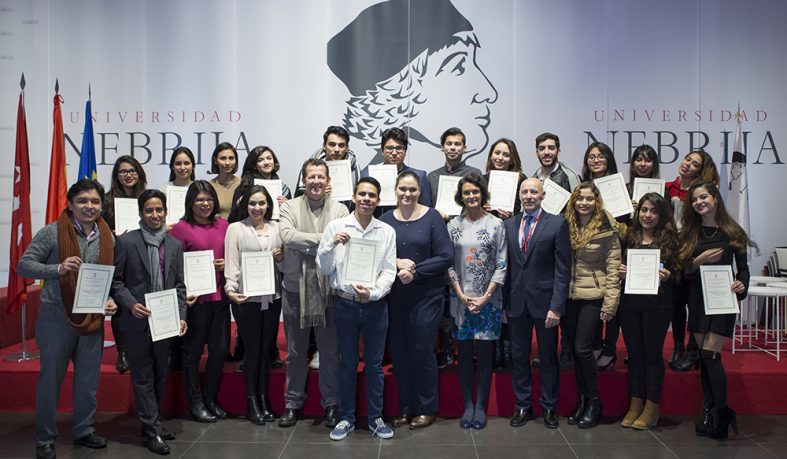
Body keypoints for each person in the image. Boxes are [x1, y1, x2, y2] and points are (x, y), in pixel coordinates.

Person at [328, 0, 498, 167]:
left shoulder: (443, 177)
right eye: (458, 66)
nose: (489, 93)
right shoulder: (369, 182)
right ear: (396, 92)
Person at [18, 179, 117, 459]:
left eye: (95, 202)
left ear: (102, 205)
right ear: (70, 204)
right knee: (51, 379)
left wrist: (109, 300)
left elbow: (108, 278)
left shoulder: (108, 236)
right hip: (55, 319)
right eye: (83, 201)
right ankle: (45, 438)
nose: (89, 206)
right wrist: (57, 267)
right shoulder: (51, 233)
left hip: (91, 318)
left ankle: (84, 430)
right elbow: (24, 265)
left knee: (88, 380)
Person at [316, 177, 397, 440]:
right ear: (353, 196)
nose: (366, 199)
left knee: (374, 366)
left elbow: (388, 270)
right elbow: (325, 268)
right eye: (362, 194)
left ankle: (375, 419)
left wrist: (373, 293)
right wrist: (332, 245)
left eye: (372, 195)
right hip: (345, 304)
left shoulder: (386, 231)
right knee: (348, 364)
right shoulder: (336, 227)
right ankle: (346, 418)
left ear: (378, 200)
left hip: (375, 306)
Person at [111, 189, 190, 454]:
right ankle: (153, 431)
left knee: (160, 374)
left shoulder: (175, 245)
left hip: (165, 321)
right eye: (149, 210)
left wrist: (181, 317)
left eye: (159, 210)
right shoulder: (126, 242)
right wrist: (131, 304)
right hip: (136, 320)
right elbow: (116, 282)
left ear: (166, 212)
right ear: (140, 213)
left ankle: (151, 424)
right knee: (143, 375)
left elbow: (179, 286)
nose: (155, 215)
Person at [679, 180, 755, 440]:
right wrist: (698, 260)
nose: (699, 202)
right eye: (694, 199)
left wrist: (741, 283)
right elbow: (683, 270)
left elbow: (744, 270)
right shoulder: (689, 232)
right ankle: (710, 410)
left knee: (711, 355)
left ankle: (721, 413)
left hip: (723, 301)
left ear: (715, 198)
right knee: (704, 356)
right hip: (698, 300)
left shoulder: (733, 232)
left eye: (703, 197)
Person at [278, 158, 349, 428]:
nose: (316, 181)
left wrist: (305, 242)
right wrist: (325, 241)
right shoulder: (289, 207)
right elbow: (287, 235)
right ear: (303, 180)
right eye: (311, 177)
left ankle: (331, 403)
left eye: (321, 176)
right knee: (296, 352)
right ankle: (292, 404)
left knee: (330, 352)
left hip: (329, 290)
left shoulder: (340, 209)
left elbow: (343, 240)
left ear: (328, 181)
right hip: (295, 290)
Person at [379, 171, 453, 430]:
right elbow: (377, 254)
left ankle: (426, 407)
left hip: (426, 296)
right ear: (395, 190)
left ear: (420, 190)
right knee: (399, 352)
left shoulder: (432, 217)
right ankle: (406, 407)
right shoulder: (385, 220)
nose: (407, 194)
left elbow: (446, 256)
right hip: (395, 297)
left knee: (421, 349)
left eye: (412, 189)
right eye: (402, 189)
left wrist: (415, 270)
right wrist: (397, 262)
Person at [505, 178, 570, 430]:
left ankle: (549, 406)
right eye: (525, 191)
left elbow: (563, 269)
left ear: (543, 195)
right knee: (519, 356)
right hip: (516, 303)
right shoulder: (509, 224)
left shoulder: (557, 224)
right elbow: (507, 266)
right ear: (519, 195)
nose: (529, 195)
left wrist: (556, 306)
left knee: (547, 357)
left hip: (546, 305)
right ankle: (522, 405)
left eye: (534, 191)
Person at [447, 174, 507, 430]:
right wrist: (460, 294)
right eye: (467, 192)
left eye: (475, 192)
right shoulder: (451, 225)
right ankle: (467, 405)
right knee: (463, 356)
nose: (471, 196)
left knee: (484, 357)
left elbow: (502, 264)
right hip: (460, 300)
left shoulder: (496, 224)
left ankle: (481, 406)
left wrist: (486, 296)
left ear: (483, 194)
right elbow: (447, 264)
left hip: (489, 301)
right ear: (461, 196)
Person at [169, 180, 230, 423]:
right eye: (199, 200)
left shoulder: (224, 225)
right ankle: (195, 402)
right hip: (195, 301)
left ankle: (211, 399)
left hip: (221, 297)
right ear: (190, 203)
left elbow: (235, 257)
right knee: (193, 352)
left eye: (209, 199)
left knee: (220, 350)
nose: (205, 204)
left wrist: (227, 264)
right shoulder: (181, 229)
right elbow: (173, 266)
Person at [223, 185, 284, 425]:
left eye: (261, 203)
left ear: (268, 204)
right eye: (252, 203)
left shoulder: (278, 228)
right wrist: (230, 288)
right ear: (244, 205)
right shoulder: (235, 229)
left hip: (272, 296)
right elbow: (232, 261)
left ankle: (263, 399)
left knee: (266, 350)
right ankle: (252, 402)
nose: (257, 208)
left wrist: (281, 258)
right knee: (252, 350)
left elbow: (283, 268)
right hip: (246, 299)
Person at [226, 146, 291, 369]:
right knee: (250, 330)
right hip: (247, 281)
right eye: (260, 159)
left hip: (272, 280)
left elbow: (288, 230)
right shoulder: (242, 194)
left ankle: (268, 352)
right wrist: (231, 287)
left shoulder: (282, 189)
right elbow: (234, 220)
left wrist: (284, 206)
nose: (266, 162)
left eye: (269, 158)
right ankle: (247, 353)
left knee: (269, 327)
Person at [618, 193, 678, 430]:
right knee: (634, 355)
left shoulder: (671, 240)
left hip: (658, 306)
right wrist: (621, 272)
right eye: (644, 210)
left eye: (653, 211)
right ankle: (635, 403)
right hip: (630, 304)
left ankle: (652, 407)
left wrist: (669, 276)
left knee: (652, 355)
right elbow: (619, 266)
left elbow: (681, 274)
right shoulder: (629, 238)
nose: (648, 215)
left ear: (662, 215)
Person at [564, 182, 621, 429]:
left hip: (593, 296)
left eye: (589, 199)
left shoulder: (607, 228)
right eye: (580, 198)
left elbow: (613, 267)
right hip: (569, 296)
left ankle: (595, 404)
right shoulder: (566, 224)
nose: (584, 203)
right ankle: (583, 401)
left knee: (582, 349)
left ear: (596, 201)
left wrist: (610, 303)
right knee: (576, 354)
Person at [427, 127, 483, 368]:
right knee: (444, 298)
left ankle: (469, 347)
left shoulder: (474, 173)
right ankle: (446, 349)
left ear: (464, 147)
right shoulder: (432, 176)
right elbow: (427, 209)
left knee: (469, 291)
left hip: (468, 240)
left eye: (458, 143)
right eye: (448, 143)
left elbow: (478, 202)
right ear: (442, 147)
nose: (453, 147)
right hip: (440, 241)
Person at [665, 150, 720, 372]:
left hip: (695, 254)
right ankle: (678, 345)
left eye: (694, 164)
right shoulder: (667, 187)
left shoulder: (702, 193)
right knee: (676, 304)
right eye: (687, 159)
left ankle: (693, 349)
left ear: (700, 170)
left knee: (694, 303)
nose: (687, 165)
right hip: (671, 255)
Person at [530, 132, 580, 370]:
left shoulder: (569, 176)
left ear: (558, 151)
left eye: (551, 148)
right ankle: (547, 352)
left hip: (562, 242)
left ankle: (567, 352)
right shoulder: (534, 177)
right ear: (537, 151)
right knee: (544, 302)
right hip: (539, 246)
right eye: (542, 148)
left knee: (563, 300)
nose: (546, 152)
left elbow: (579, 210)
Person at [482, 138, 525, 371]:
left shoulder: (522, 182)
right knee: (492, 296)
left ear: (512, 158)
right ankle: (495, 348)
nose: (500, 158)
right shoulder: (482, 180)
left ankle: (508, 349)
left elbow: (530, 214)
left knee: (508, 297)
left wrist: (512, 215)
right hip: (487, 247)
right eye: (496, 153)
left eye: (505, 154)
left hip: (512, 246)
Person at [102, 155, 147, 374]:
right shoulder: (106, 200)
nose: (128, 175)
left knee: (139, 298)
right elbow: (98, 228)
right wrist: (111, 234)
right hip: (115, 255)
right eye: (123, 172)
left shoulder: (146, 198)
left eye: (132, 171)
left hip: (141, 255)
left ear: (139, 173)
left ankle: (142, 346)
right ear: (117, 175)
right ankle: (122, 351)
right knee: (119, 301)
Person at [580, 142, 622, 371]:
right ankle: (596, 344)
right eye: (591, 156)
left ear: (609, 160)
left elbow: (626, 226)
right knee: (593, 303)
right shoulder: (583, 187)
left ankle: (609, 349)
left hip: (612, 248)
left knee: (611, 301)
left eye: (601, 156)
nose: (596, 160)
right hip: (589, 254)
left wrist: (628, 211)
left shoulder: (620, 187)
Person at [362, 127, 433, 217]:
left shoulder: (419, 176)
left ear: (405, 151)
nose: (394, 152)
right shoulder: (369, 174)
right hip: (377, 225)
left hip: (409, 224)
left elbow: (426, 209)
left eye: (399, 148)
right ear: (382, 151)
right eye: (389, 148)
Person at [294, 126, 360, 210]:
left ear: (347, 148)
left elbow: (358, 199)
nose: (336, 149)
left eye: (341, 145)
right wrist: (317, 193)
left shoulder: (355, 167)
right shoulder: (309, 167)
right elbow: (298, 197)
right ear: (324, 146)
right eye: (332, 144)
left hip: (345, 215)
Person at [207, 142, 241, 219]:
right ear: (215, 161)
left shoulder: (244, 183)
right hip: (217, 229)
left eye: (231, 158)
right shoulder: (209, 186)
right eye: (223, 158)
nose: (227, 163)